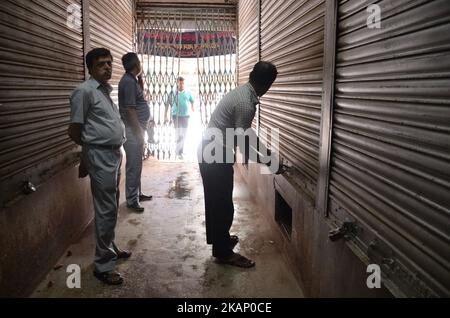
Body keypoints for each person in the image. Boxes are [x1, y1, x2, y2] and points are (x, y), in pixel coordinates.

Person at [198, 61, 283, 268]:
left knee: (218, 202)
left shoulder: (244, 93)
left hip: (211, 150)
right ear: (268, 84)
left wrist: (264, 153)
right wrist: (268, 160)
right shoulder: (246, 102)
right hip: (215, 154)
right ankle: (223, 252)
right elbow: (244, 140)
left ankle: (221, 240)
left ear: (252, 75)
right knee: (222, 205)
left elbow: (244, 133)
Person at [68, 48, 130, 285]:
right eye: (102, 64)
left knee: (111, 206)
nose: (108, 67)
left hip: (113, 154)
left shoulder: (104, 91)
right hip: (100, 155)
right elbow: (74, 129)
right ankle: (103, 266)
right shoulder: (83, 92)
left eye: (109, 63)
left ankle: (110, 248)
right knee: (105, 209)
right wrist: (91, 150)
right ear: (90, 68)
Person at [118, 53, 153, 213]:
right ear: (136, 64)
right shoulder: (128, 82)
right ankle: (132, 200)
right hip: (133, 130)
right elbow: (130, 110)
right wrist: (139, 131)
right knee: (133, 165)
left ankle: (137, 194)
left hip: (137, 129)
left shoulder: (132, 80)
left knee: (137, 164)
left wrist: (140, 78)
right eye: (139, 63)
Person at [164, 77, 195, 160]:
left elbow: (192, 100)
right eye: (180, 83)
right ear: (177, 83)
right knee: (179, 133)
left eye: (183, 83)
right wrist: (165, 115)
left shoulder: (188, 92)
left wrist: (192, 107)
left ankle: (181, 150)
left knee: (184, 134)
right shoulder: (173, 93)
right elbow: (167, 104)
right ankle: (178, 152)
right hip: (176, 116)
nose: (181, 85)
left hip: (186, 116)